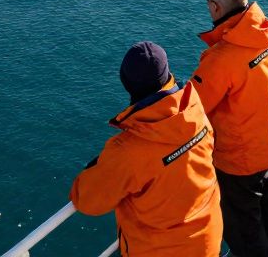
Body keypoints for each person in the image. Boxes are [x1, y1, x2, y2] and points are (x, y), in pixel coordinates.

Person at [71, 41, 223, 256]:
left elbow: (87, 201)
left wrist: (98, 167)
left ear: (127, 83)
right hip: (207, 240)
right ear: (166, 73)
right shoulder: (194, 109)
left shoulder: (128, 150)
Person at [191, 0, 268, 257]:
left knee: (243, 228)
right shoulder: (266, 32)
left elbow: (194, 106)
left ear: (217, 8)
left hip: (242, 157)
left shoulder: (223, 57)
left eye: (209, 2)